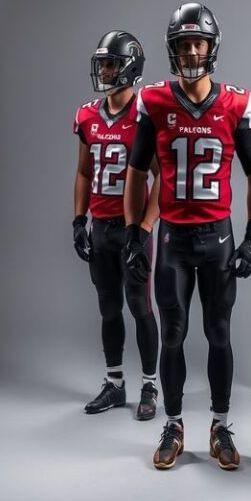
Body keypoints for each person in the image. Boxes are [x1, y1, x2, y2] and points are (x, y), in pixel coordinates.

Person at [124, 3, 251, 470]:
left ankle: (221, 424)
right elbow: (137, 170)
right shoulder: (155, 100)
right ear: (172, 49)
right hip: (173, 240)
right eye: (183, 44)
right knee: (174, 335)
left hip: (218, 237)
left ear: (211, 47)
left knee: (219, 333)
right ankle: (175, 423)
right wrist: (133, 231)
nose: (190, 52)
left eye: (197, 43)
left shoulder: (236, 103)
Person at [72, 30, 160, 421]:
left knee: (140, 306)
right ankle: (114, 382)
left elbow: (162, 178)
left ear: (130, 68)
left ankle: (150, 384)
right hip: (100, 226)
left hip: (130, 230)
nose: (105, 70)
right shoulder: (88, 114)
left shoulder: (145, 115)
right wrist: (78, 219)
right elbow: (82, 172)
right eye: (102, 63)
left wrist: (143, 229)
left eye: (111, 64)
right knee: (108, 309)